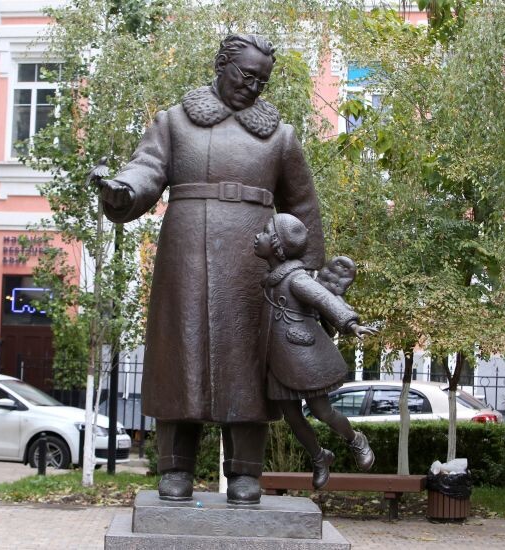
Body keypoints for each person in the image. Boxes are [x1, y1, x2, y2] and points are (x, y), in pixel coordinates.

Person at [97, 34, 325, 505]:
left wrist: (306, 275)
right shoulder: (175, 122)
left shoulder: (279, 136)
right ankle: (174, 468)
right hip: (185, 255)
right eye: (247, 75)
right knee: (180, 356)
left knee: (248, 365)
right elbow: (146, 169)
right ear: (222, 64)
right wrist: (123, 190)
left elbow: (303, 206)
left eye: (262, 81)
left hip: (254, 262)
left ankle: (245, 472)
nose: (253, 87)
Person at [255, 213, 377, 490]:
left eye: (264, 232)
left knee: (322, 411)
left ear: (276, 245)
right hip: (278, 361)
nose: (257, 236)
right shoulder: (272, 279)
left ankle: (356, 439)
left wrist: (350, 323)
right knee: (292, 417)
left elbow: (324, 299)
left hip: (303, 359)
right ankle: (320, 457)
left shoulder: (296, 280)